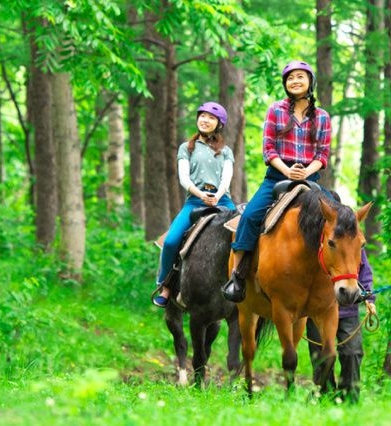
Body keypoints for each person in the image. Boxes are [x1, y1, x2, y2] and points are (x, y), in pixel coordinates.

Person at [222, 60, 331, 302]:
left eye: (300, 77)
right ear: (285, 84)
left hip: (310, 179)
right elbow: (268, 149)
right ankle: (236, 276)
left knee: (341, 215)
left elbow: (323, 154)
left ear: (310, 82)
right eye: (290, 78)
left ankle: (355, 278)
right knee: (250, 216)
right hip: (277, 176)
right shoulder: (275, 110)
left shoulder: (322, 116)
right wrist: (287, 170)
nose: (295, 81)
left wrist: (305, 172)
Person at [153, 101, 236, 308]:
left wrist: (217, 195)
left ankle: (243, 283)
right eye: (202, 116)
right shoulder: (186, 148)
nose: (205, 120)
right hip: (195, 200)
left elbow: (226, 178)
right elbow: (184, 178)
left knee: (244, 235)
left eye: (211, 118)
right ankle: (165, 284)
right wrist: (201, 194)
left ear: (219, 124)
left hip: (222, 200)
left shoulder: (225, 151)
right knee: (171, 241)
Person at [306, 192, 377, 404]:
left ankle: (351, 399)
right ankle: (325, 396)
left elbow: (364, 270)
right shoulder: (319, 241)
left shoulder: (353, 241)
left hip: (347, 308)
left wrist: (369, 298)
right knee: (321, 355)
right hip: (319, 309)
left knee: (353, 352)